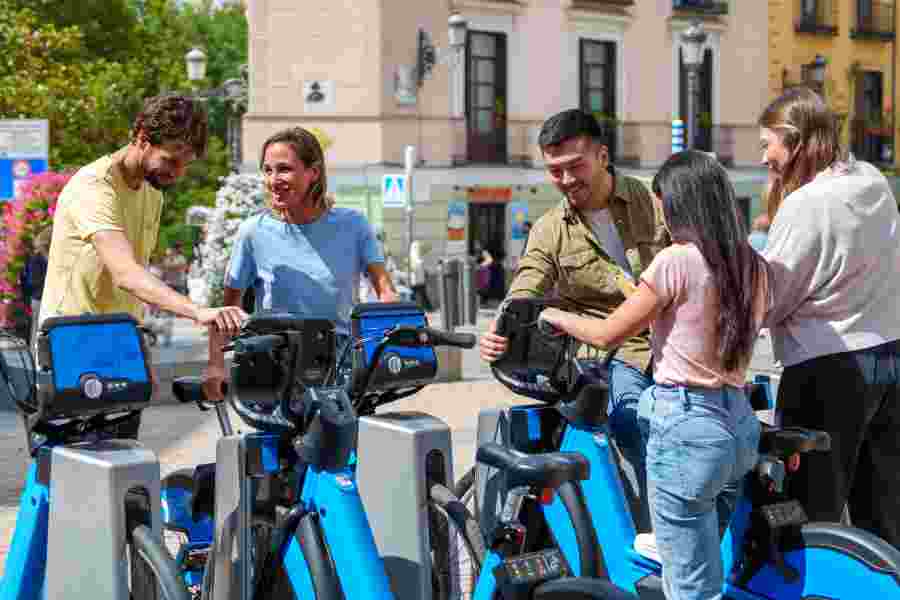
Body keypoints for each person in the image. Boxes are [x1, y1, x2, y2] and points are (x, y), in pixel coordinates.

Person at [541, 151, 770, 600]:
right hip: (738, 427)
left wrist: (557, 315)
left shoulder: (675, 261)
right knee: (708, 566)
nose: (659, 210)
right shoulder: (753, 264)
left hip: (687, 427)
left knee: (689, 589)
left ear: (677, 202)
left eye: (661, 199)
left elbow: (608, 334)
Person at [38, 94, 247, 435]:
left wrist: (139, 344)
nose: (177, 174)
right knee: (73, 469)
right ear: (141, 139)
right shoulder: (94, 187)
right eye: (170, 161)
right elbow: (126, 273)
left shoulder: (152, 194)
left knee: (122, 468)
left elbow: (137, 280)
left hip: (120, 343)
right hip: (71, 344)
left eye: (185, 164)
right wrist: (197, 311)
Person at [759, 87, 900, 549]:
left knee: (809, 512)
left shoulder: (806, 204)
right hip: (889, 357)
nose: (764, 159)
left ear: (793, 140)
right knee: (882, 515)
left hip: (827, 366)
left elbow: (770, 296)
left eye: (768, 145)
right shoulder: (873, 182)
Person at [204, 127, 397, 400]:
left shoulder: (352, 225)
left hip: (337, 368)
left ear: (313, 173)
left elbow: (385, 291)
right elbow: (227, 309)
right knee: (271, 443)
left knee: (339, 441)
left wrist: (394, 341)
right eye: (267, 170)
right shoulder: (253, 232)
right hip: (272, 366)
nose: (273, 180)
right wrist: (215, 366)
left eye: (284, 169)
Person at [480, 108, 668, 369]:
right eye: (555, 171)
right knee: (634, 409)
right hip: (614, 360)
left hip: (678, 347)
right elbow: (525, 286)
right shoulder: (548, 230)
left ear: (602, 157)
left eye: (576, 166)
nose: (566, 180)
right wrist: (498, 327)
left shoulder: (658, 200)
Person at [23, 225, 51, 346]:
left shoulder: (47, 257)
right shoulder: (37, 258)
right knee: (37, 329)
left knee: (41, 329)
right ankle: (35, 356)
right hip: (39, 298)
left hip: (45, 297)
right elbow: (33, 281)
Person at [409, 240, 433, 311]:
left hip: (416, 281)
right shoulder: (417, 259)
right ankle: (427, 308)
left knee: (419, 295)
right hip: (418, 281)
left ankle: (426, 308)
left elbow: (416, 270)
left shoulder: (414, 259)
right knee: (420, 295)